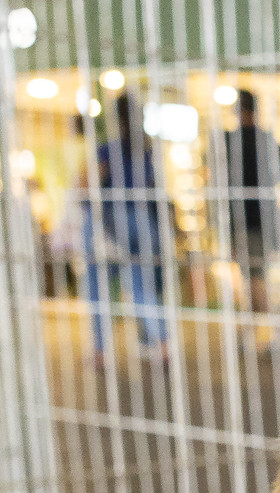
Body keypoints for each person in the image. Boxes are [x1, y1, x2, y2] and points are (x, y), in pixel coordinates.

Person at [79, 93, 168, 364]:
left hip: (109, 220)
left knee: (98, 289)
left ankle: (100, 350)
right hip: (143, 221)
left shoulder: (109, 150)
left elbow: (86, 185)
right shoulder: (147, 149)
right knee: (142, 288)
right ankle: (162, 342)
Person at [220, 88, 280, 321]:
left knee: (252, 276)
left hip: (240, 219)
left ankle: (267, 327)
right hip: (265, 217)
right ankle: (259, 327)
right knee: (255, 275)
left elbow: (220, 183)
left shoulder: (229, 141)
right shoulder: (267, 140)